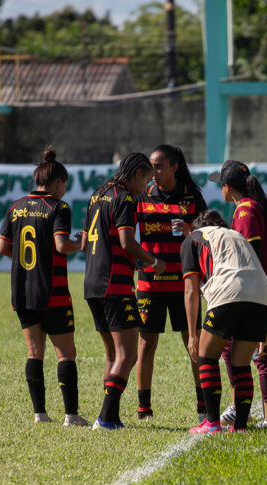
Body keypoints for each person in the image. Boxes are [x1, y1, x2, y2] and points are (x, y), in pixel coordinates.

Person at [0, 148, 89, 427]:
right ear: (59, 182)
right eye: (65, 185)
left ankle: (40, 414)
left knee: (34, 352)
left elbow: (3, 247)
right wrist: (84, 243)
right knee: (66, 354)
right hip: (53, 291)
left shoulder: (15, 206)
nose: (64, 190)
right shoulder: (58, 207)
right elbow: (62, 246)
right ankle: (71, 415)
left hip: (23, 291)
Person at [82, 152, 165, 430]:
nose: (146, 188)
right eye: (147, 180)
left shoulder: (97, 194)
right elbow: (127, 241)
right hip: (114, 285)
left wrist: (132, 257)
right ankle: (105, 418)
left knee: (112, 355)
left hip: (92, 284)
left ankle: (111, 416)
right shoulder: (124, 198)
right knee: (128, 355)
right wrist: (153, 261)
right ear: (138, 174)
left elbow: (85, 241)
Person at [209, 160, 267, 428]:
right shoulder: (249, 207)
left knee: (263, 354)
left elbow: (249, 255)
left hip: (261, 291)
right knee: (232, 349)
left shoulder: (246, 211)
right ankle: (239, 406)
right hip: (262, 288)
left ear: (227, 188)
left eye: (219, 185)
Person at [181, 210, 267, 433]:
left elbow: (191, 290)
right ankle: (240, 426)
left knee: (206, 356)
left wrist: (193, 334)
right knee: (240, 363)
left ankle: (212, 423)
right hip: (262, 297)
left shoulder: (193, 238)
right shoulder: (236, 235)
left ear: (195, 228)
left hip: (229, 292)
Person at [135, 144, 208, 421]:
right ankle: (144, 409)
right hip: (149, 284)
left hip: (184, 284)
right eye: (152, 166)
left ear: (175, 166)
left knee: (194, 343)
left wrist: (191, 230)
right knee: (146, 345)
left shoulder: (191, 196)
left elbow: (207, 233)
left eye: (159, 166)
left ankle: (203, 407)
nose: (154, 172)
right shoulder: (143, 195)